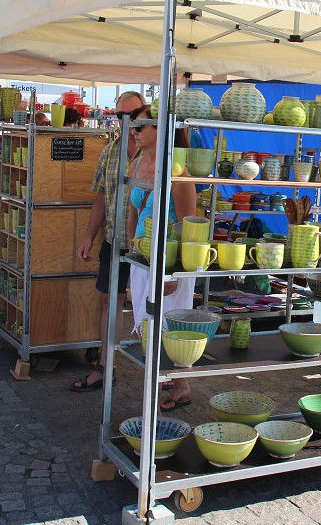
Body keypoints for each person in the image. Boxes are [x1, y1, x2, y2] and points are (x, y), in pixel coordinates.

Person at [72, 91, 147, 392]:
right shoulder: (111, 151)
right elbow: (101, 199)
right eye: (121, 115)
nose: (127, 121)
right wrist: (88, 237)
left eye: (133, 114)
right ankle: (106, 365)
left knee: (150, 307)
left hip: (146, 245)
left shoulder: (159, 153)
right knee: (109, 300)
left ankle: (169, 376)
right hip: (114, 239)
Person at [125, 103, 196, 411]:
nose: (134, 132)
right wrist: (131, 248)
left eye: (141, 126)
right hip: (144, 257)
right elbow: (132, 210)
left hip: (170, 261)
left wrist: (173, 272)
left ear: (161, 129)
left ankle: (172, 385)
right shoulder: (138, 163)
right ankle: (172, 385)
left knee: (170, 327)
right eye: (133, 126)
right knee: (148, 324)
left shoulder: (180, 175)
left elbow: (188, 227)